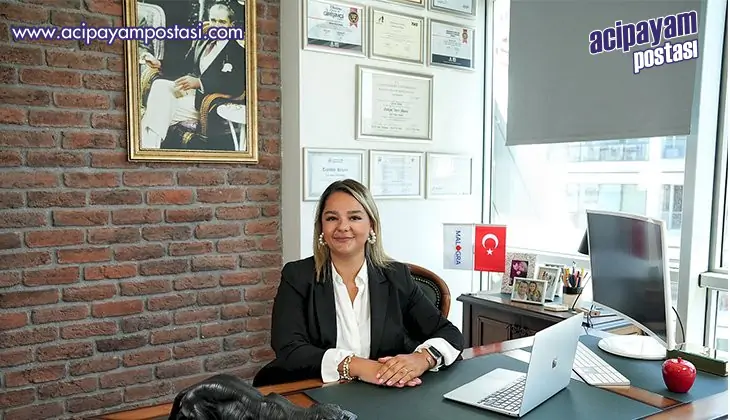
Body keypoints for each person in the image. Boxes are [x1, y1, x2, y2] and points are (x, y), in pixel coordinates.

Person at [256, 179, 464, 388]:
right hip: (316, 391)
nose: (343, 227)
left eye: (354, 217)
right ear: (321, 227)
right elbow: (289, 349)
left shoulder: (396, 276)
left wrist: (423, 359)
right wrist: (358, 366)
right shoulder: (297, 276)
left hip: (384, 393)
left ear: (371, 224)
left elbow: (449, 334)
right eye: (332, 218)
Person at [140, 2, 245, 150]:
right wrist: (159, 63)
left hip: (206, 103)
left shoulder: (237, 52)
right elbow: (184, 65)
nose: (216, 26)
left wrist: (200, 82)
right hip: (188, 94)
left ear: (231, 25)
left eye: (222, 22)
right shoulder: (202, 42)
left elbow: (236, 85)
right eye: (213, 20)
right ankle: (149, 149)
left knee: (156, 111)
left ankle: (147, 149)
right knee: (159, 86)